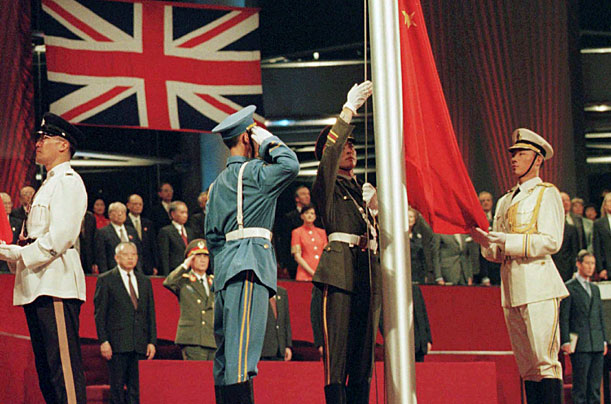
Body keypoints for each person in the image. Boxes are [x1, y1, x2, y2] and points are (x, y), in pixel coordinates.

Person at [205, 105, 299, 403]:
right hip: (250, 267)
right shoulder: (256, 173)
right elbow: (290, 165)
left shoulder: (217, 184)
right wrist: (268, 140)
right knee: (242, 355)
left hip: (226, 270)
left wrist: (226, 263)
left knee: (226, 355)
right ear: (248, 137)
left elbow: (212, 237)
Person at [473, 128, 569, 403]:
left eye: (521, 153)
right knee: (527, 366)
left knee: (545, 361)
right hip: (512, 288)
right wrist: (485, 241)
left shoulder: (546, 194)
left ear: (537, 159)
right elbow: (498, 252)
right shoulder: (505, 200)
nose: (514, 159)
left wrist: (508, 241)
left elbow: (551, 241)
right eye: (513, 153)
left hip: (539, 285)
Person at [0, 112, 87, 403]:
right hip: (38, 283)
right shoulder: (47, 185)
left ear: (63, 145)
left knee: (63, 371)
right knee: (48, 372)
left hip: (56, 283)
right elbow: (31, 238)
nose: (37, 143)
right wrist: (10, 251)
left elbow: (60, 238)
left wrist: (16, 253)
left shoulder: (68, 181)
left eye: (44, 138)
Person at [311, 81, 381, 404]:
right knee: (337, 361)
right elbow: (329, 156)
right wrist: (348, 110)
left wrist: (376, 211)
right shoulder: (326, 186)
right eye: (344, 146)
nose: (349, 149)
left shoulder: (359, 191)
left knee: (363, 360)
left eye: (353, 145)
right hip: (339, 274)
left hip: (366, 274)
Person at [93, 242, 156, 404]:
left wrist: (151, 341)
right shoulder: (106, 280)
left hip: (139, 343)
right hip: (117, 344)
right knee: (117, 388)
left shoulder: (144, 281)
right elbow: (100, 314)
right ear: (116, 257)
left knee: (136, 389)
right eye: (126, 255)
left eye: (133, 255)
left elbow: (150, 314)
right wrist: (103, 341)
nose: (130, 258)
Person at [560, 250, 607, 404]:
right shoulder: (569, 287)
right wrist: (565, 341)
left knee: (595, 387)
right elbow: (564, 317)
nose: (590, 267)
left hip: (597, 343)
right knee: (580, 386)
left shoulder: (595, 288)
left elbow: (600, 316)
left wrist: (604, 340)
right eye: (587, 263)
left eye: (593, 263)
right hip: (580, 344)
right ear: (578, 264)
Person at [163, 239, 215, 360]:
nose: (203, 260)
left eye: (205, 256)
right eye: (198, 256)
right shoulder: (184, 281)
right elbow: (168, 282)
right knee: (196, 371)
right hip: (193, 339)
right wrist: (184, 266)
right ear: (190, 259)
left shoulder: (213, 281)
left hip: (211, 339)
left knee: (213, 372)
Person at [94, 202, 142, 273]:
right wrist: (105, 273)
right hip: (113, 272)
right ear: (110, 215)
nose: (120, 214)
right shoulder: (103, 232)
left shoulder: (132, 231)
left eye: (122, 212)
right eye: (116, 211)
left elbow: (139, 252)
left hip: (133, 271)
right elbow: (101, 256)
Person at [290, 204, 327, 281]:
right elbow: (297, 256)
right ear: (302, 216)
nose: (309, 216)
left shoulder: (322, 232)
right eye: (306, 213)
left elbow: (325, 254)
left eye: (312, 213)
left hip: (321, 272)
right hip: (304, 274)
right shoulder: (297, 232)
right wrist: (312, 272)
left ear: (315, 216)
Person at [157, 201, 194, 276]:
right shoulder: (166, 231)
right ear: (173, 214)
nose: (185, 215)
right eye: (182, 212)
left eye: (186, 213)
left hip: (190, 271)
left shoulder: (189, 231)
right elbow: (164, 256)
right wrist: (167, 275)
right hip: (175, 271)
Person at [125, 194, 158, 275]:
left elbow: (153, 245)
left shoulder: (148, 223)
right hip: (130, 263)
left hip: (147, 265)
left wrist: (155, 265)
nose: (138, 206)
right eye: (135, 204)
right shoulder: (124, 222)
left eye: (140, 204)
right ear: (128, 205)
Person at [261, 286, 293, 361]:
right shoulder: (259, 292)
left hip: (280, 350)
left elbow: (286, 321)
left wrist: (287, 346)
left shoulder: (282, 292)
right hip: (263, 351)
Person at [477, 191, 500, 285]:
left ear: (492, 202)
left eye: (488, 200)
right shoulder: (475, 219)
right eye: (482, 201)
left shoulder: (498, 217)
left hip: (497, 263)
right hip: (481, 264)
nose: (486, 203)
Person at [593, 193, 611, 280]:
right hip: (607, 268)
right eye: (609, 201)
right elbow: (597, 247)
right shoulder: (599, 224)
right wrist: (600, 269)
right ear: (605, 205)